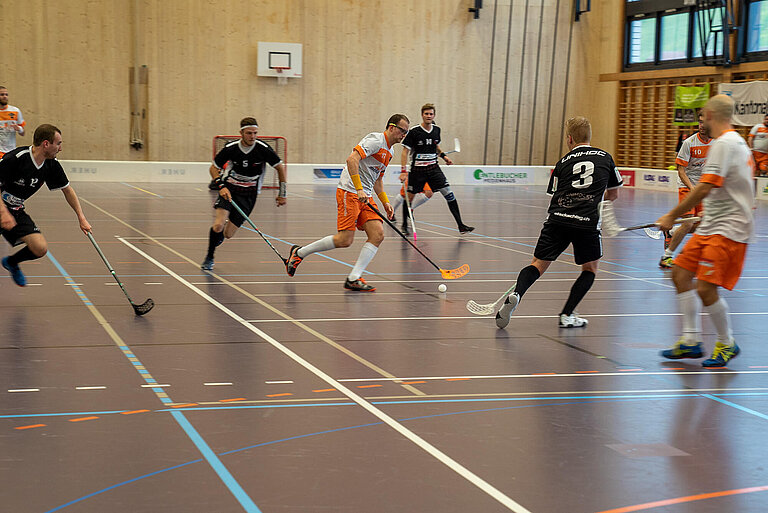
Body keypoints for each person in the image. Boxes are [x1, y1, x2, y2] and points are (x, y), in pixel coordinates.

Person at [495, 117, 622, 329]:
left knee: (538, 264)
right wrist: (594, 199)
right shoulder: (605, 157)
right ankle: (567, 315)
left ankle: (517, 293)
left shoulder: (562, 163)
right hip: (587, 223)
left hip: (558, 220)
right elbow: (614, 194)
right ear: (589, 137)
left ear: (569, 139)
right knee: (590, 269)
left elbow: (554, 193)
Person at [657, 94, 755, 368]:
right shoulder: (733, 144)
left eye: (704, 116)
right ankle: (690, 340)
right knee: (680, 273)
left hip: (728, 231)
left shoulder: (725, 143)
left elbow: (703, 187)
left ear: (711, 115)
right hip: (712, 225)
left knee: (705, 287)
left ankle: (726, 342)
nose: (702, 121)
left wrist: (671, 215)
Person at [284, 114, 408, 291]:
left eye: (406, 132)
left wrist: (386, 202)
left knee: (378, 235)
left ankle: (354, 278)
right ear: (391, 127)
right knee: (344, 240)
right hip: (349, 191)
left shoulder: (390, 152)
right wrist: (358, 189)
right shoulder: (375, 140)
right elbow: (352, 159)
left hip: (365, 195)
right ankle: (299, 253)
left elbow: (378, 180)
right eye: (402, 130)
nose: (404, 135)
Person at [0, 124, 91, 286]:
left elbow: (67, 190)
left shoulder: (51, 165)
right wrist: (3, 213)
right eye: (58, 143)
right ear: (46, 144)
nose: (60, 148)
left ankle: (12, 262)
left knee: (40, 248)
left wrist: (81, 218)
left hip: (15, 210)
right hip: (1, 208)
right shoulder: (16, 158)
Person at [201, 117, 287, 271]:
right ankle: (209, 257)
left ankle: (219, 234)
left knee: (228, 234)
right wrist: (221, 186)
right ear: (241, 132)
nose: (252, 136)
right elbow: (213, 168)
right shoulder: (231, 148)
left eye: (255, 133)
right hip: (230, 190)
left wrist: (283, 193)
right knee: (218, 224)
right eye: (249, 133)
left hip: (249, 195)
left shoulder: (263, 149)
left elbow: (280, 168)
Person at [400, 103, 473, 234]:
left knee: (449, 194)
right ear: (422, 115)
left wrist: (444, 157)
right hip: (417, 171)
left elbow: (436, 147)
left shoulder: (436, 130)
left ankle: (461, 225)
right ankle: (404, 225)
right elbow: (405, 151)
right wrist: (403, 171)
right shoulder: (414, 132)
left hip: (434, 169)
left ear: (434, 115)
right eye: (426, 114)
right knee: (409, 198)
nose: (428, 116)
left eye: (431, 114)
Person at [659, 114, 711, 268]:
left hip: (702, 188)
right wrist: (692, 188)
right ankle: (666, 256)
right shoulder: (689, 143)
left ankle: (672, 232)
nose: (701, 126)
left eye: (704, 122)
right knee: (688, 224)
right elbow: (681, 170)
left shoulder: (717, 143)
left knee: (703, 224)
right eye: (699, 122)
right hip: (687, 186)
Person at [0, 86, 25, 158]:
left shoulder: (15, 111)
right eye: (2, 95)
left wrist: (19, 128)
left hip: (11, 151)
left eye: (6, 94)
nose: (5, 97)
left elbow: (23, 133)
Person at [747, 112, 768, 177]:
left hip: (765, 154)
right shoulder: (758, 127)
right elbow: (750, 137)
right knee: (754, 170)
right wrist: (751, 148)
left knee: (764, 171)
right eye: (766, 119)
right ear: (764, 120)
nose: (767, 121)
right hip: (755, 153)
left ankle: (761, 186)